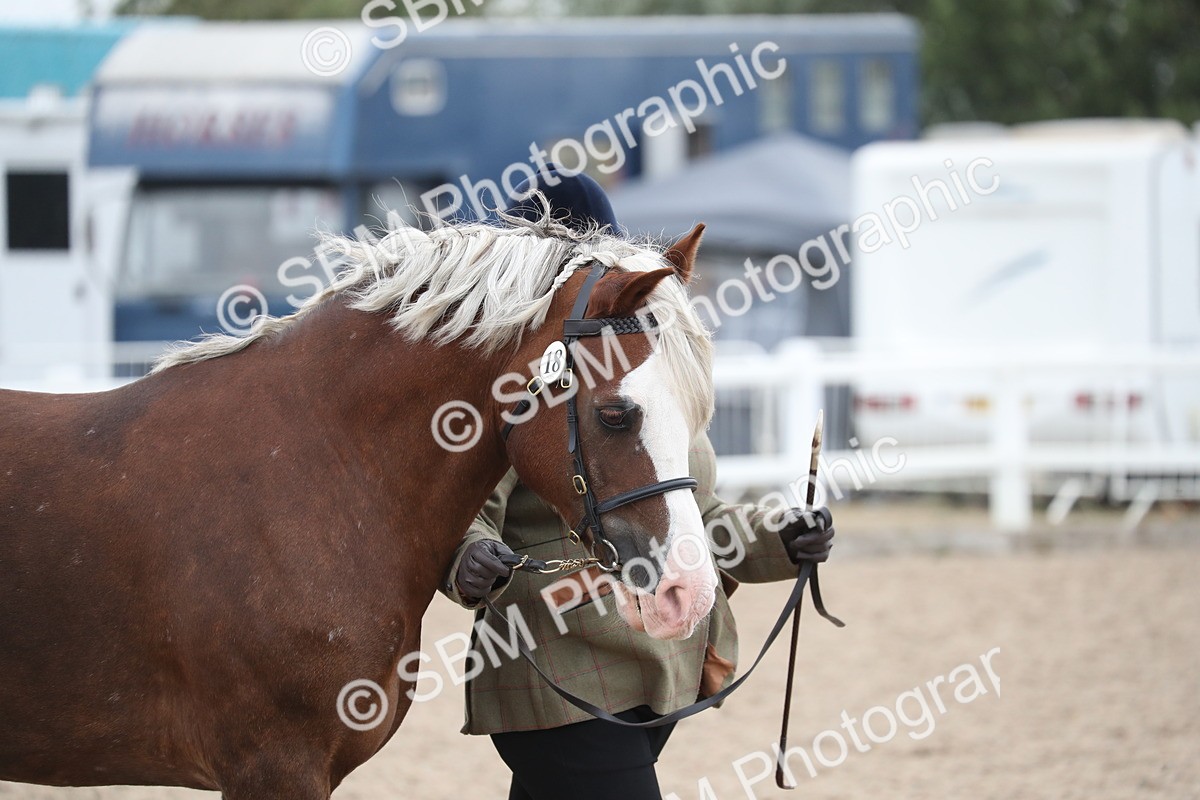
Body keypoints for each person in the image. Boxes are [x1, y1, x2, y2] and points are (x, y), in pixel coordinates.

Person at [442, 166, 835, 800]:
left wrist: (783, 538)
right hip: (558, 667)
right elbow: (463, 514)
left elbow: (694, 516)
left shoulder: (641, 377)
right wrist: (467, 557)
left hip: (658, 663)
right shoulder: (517, 390)